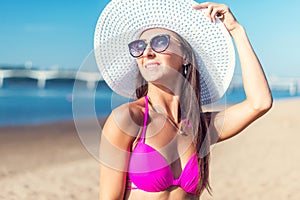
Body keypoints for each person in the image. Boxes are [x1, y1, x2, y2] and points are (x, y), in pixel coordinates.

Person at [94, 0, 272, 199]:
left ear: (185, 56)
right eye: (139, 47)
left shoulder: (200, 127)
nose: (147, 52)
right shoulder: (128, 119)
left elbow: (260, 103)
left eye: (160, 42)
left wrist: (236, 31)